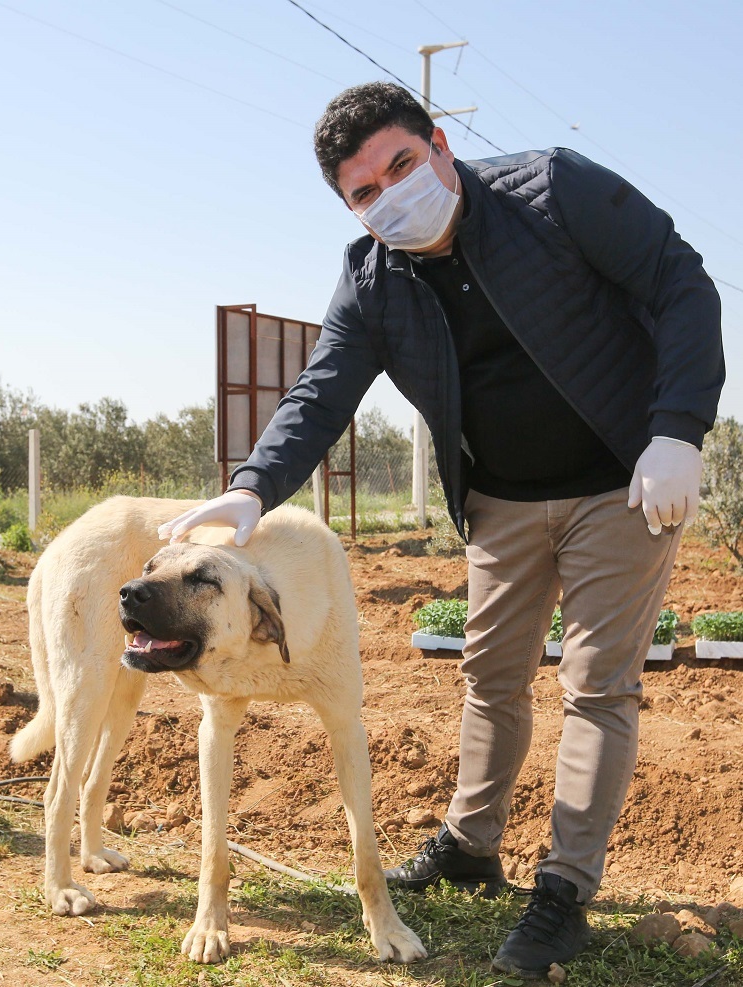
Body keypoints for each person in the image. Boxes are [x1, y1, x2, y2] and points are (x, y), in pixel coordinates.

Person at [159, 82, 724, 978]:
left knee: (595, 684)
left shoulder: (555, 191)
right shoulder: (372, 276)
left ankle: (564, 889)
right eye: (363, 192)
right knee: (490, 673)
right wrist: (252, 489)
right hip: (499, 498)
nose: (389, 195)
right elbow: (322, 390)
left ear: (441, 146)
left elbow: (679, 277)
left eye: (400, 165)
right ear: (348, 206)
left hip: (621, 480)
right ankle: (470, 839)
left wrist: (678, 426)